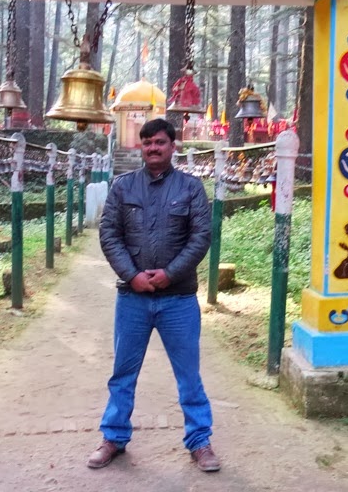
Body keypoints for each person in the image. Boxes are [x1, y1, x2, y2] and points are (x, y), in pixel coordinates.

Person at [87, 118, 220, 472]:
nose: (153, 148)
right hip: (133, 299)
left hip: (179, 299)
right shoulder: (122, 187)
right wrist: (131, 276)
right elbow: (109, 234)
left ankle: (200, 441)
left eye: (160, 142)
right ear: (141, 147)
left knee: (188, 376)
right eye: (147, 143)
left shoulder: (191, 188)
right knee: (123, 373)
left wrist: (169, 274)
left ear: (172, 146)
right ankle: (113, 437)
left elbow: (201, 237)